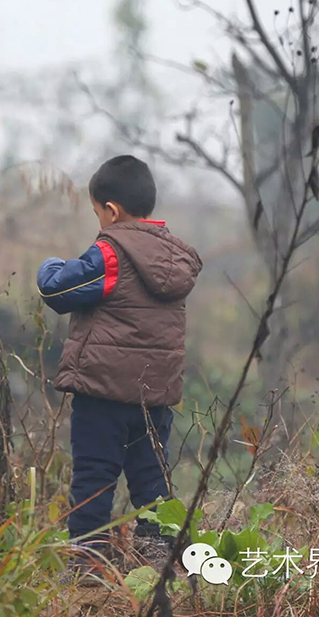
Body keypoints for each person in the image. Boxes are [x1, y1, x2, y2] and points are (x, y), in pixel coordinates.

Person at [36, 155, 202, 577]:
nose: (99, 223)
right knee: (152, 480)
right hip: (154, 399)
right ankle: (161, 563)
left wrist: (50, 265)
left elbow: (58, 290)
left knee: (94, 478)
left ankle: (88, 565)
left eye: (97, 214)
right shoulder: (174, 257)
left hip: (103, 395)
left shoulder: (111, 253)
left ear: (111, 210)